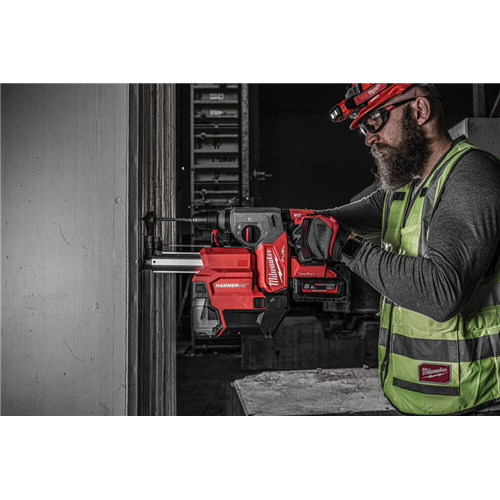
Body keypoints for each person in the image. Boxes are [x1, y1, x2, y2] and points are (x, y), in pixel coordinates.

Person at [292, 84, 500, 415]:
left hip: (476, 403)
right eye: (364, 127)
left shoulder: (471, 176)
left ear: (420, 111)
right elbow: (334, 220)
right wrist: (285, 223)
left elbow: (442, 292)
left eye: (375, 120)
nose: (369, 138)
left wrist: (347, 247)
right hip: (415, 399)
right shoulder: (404, 187)